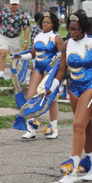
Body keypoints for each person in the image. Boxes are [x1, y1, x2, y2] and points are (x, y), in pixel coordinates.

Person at [50, 11, 92, 183]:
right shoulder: (66, 44)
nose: (72, 32)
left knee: (77, 125)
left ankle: (72, 171)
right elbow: (62, 70)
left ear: (84, 28)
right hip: (74, 88)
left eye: (75, 29)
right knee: (85, 127)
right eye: (70, 29)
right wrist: (51, 88)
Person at [16, 11, 62, 140]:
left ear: (53, 24)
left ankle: (54, 128)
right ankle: (31, 128)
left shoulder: (56, 38)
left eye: (48, 22)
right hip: (38, 68)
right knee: (31, 97)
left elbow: (61, 56)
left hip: (51, 70)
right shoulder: (37, 36)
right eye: (43, 22)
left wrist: (56, 73)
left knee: (51, 98)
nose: (45, 24)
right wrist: (21, 56)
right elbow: (32, 54)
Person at [0, 0, 30, 80]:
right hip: (4, 36)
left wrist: (25, 41)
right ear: (9, 4)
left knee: (13, 57)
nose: (14, 6)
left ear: (18, 5)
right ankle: (1, 74)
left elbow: (26, 28)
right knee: (3, 54)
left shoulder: (22, 15)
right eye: (12, 4)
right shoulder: (4, 12)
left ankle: (13, 76)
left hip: (15, 38)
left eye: (15, 4)